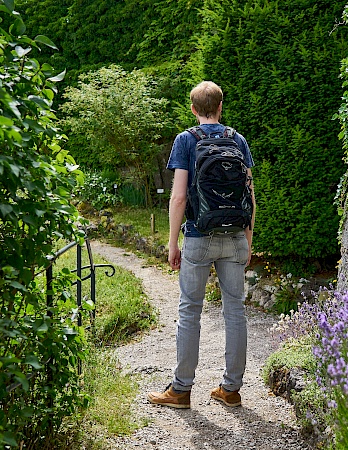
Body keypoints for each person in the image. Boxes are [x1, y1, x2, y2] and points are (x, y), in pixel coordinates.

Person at [147, 81, 255, 409]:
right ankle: (231, 389)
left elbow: (179, 196)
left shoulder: (185, 140)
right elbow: (250, 195)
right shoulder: (238, 140)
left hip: (198, 235)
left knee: (190, 311)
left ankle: (180, 390)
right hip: (235, 235)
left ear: (193, 109)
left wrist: (171, 244)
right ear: (221, 107)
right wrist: (247, 241)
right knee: (235, 310)